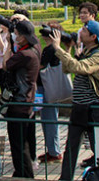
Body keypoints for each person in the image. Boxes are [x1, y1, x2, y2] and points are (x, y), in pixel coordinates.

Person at [49, 19, 99, 181]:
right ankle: (65, 178)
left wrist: (57, 48)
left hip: (94, 108)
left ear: (93, 37)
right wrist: (66, 49)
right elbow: (68, 67)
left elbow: (80, 68)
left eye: (84, 30)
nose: (80, 32)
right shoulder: (86, 52)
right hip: (79, 107)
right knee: (71, 146)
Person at [2, 20, 41, 179]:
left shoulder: (24, 55)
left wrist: (7, 47)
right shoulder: (35, 50)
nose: (14, 36)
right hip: (27, 102)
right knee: (22, 143)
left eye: (16, 34)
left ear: (24, 37)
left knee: (18, 146)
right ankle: (21, 173)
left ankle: (24, 174)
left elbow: (5, 64)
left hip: (19, 103)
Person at [37, 23, 63, 165]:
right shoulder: (54, 48)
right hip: (50, 88)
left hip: (47, 88)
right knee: (48, 118)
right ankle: (52, 150)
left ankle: (54, 151)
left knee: (49, 119)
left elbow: (40, 66)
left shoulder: (50, 49)